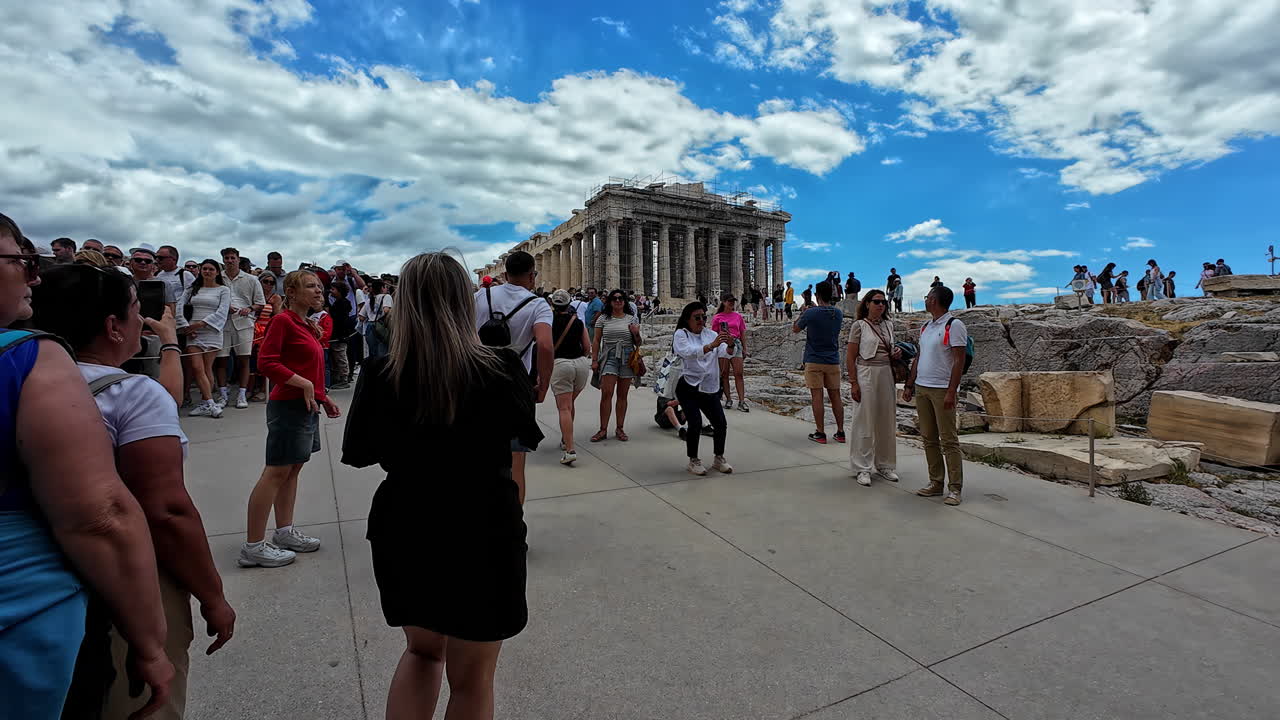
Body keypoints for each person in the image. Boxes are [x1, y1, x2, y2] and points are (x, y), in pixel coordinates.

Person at [30, 265, 236, 719]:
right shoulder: (132, 394)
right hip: (123, 579)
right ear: (111, 326)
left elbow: (163, 400)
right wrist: (213, 595)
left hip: (38, 577)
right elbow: (165, 511)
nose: (140, 321)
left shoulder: (28, 381)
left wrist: (166, 343)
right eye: (135, 312)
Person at [341, 252, 538, 720]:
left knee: (422, 653)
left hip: (407, 521)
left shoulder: (380, 373)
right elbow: (524, 435)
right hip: (484, 524)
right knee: (472, 680)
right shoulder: (501, 367)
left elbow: (359, 453)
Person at [0, 213, 173, 718]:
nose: (34, 275)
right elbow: (98, 515)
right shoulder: (30, 359)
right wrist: (150, 643)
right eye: (21, 261)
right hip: (23, 619)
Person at [240, 270, 341, 568]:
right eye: (311, 286)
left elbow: (309, 370)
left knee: (292, 471)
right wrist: (304, 385)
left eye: (320, 287)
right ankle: (253, 546)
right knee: (275, 473)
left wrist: (322, 396)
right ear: (293, 292)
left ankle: (284, 531)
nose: (319, 291)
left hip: (305, 406)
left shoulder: (306, 324)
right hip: (288, 407)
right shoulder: (283, 321)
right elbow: (266, 362)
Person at [474, 251, 552, 504]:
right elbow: (545, 346)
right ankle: (514, 526)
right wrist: (543, 384)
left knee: (477, 456)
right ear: (532, 275)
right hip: (516, 386)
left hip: (476, 381)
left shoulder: (480, 296)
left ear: (505, 274)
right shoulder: (537, 304)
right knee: (516, 461)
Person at [902, 286, 967, 506]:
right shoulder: (926, 326)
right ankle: (936, 482)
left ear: (935, 301)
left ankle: (955, 488)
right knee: (929, 438)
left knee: (948, 440)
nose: (925, 300)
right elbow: (920, 356)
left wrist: (952, 391)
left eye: (928, 297)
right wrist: (909, 384)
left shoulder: (954, 325)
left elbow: (959, 360)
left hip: (942, 389)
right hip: (923, 387)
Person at [846, 289, 901, 486]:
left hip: (886, 372)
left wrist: (896, 352)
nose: (881, 305)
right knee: (864, 418)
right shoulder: (859, 326)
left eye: (883, 302)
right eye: (877, 301)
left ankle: (885, 464)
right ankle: (862, 466)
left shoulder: (889, 325)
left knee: (886, 418)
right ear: (867, 303)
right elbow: (850, 356)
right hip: (866, 372)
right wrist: (853, 382)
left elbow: (890, 347)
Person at [672, 302, 734, 475]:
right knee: (696, 423)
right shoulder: (681, 334)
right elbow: (687, 352)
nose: (701, 320)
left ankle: (718, 458)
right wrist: (711, 346)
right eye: (697, 317)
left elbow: (725, 353)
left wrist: (730, 344)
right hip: (688, 386)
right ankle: (693, 460)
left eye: (704, 317)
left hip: (709, 386)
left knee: (720, 423)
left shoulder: (711, 334)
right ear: (687, 319)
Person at [213, 247, 266, 410]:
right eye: (226, 258)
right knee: (221, 359)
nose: (229, 261)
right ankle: (223, 395)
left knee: (244, 359)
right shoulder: (217, 278)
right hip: (222, 323)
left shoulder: (251, 279)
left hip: (244, 323)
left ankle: (242, 394)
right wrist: (222, 307)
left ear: (238, 259)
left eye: (232, 258)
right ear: (223, 260)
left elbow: (260, 303)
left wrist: (249, 309)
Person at [793, 280, 844, 444]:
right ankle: (841, 432)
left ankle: (821, 433)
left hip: (814, 359)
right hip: (833, 360)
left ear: (817, 295)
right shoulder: (838, 313)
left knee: (817, 396)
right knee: (836, 396)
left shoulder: (811, 313)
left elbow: (795, 329)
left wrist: (803, 312)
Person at [181, 259, 231, 417]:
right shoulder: (192, 288)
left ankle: (205, 401)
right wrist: (187, 327)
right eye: (205, 269)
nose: (207, 271)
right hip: (193, 332)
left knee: (207, 367)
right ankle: (211, 403)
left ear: (217, 272)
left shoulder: (224, 290)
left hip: (212, 331)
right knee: (197, 367)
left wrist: (201, 324)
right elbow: (179, 307)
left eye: (211, 269)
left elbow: (222, 312)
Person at [591, 289, 641, 442]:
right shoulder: (603, 319)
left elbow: (638, 343)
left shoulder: (632, 318)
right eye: (614, 298)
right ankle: (603, 429)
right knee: (606, 393)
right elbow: (596, 340)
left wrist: (635, 333)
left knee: (622, 395)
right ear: (610, 301)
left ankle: (620, 428)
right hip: (610, 356)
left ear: (625, 301)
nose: (618, 301)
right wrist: (594, 360)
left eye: (621, 298)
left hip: (627, 356)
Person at [548, 289, 591, 465]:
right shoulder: (578, 322)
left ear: (553, 304)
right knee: (570, 403)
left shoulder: (548, 322)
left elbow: (544, 347)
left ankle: (570, 449)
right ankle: (566, 439)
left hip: (561, 364)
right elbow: (587, 347)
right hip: (581, 365)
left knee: (564, 408)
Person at [711, 292, 749, 412]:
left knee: (739, 373)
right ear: (724, 302)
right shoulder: (717, 317)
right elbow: (713, 334)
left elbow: (742, 333)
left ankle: (742, 401)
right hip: (722, 344)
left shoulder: (738, 316)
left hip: (736, 344)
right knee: (725, 374)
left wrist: (745, 348)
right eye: (729, 301)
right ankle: (728, 399)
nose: (732, 303)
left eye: (733, 301)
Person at [249, 272, 284, 401]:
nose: (268, 284)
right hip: (251, 329)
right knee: (250, 361)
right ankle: (250, 388)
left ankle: (264, 389)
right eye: (266, 281)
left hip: (266, 331)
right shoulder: (253, 295)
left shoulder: (275, 298)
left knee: (264, 360)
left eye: (272, 282)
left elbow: (277, 315)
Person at [327, 282, 354, 389]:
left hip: (340, 335)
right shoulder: (338, 303)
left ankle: (344, 378)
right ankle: (337, 377)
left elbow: (341, 321)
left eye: (333, 289)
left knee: (340, 356)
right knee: (335, 357)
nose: (331, 291)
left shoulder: (342, 304)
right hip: (336, 335)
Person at [363, 279, 394, 361]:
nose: (387, 289)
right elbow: (386, 310)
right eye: (385, 287)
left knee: (372, 354)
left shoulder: (369, 300)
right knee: (383, 353)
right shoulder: (386, 296)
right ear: (382, 288)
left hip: (369, 327)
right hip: (381, 327)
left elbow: (361, 317)